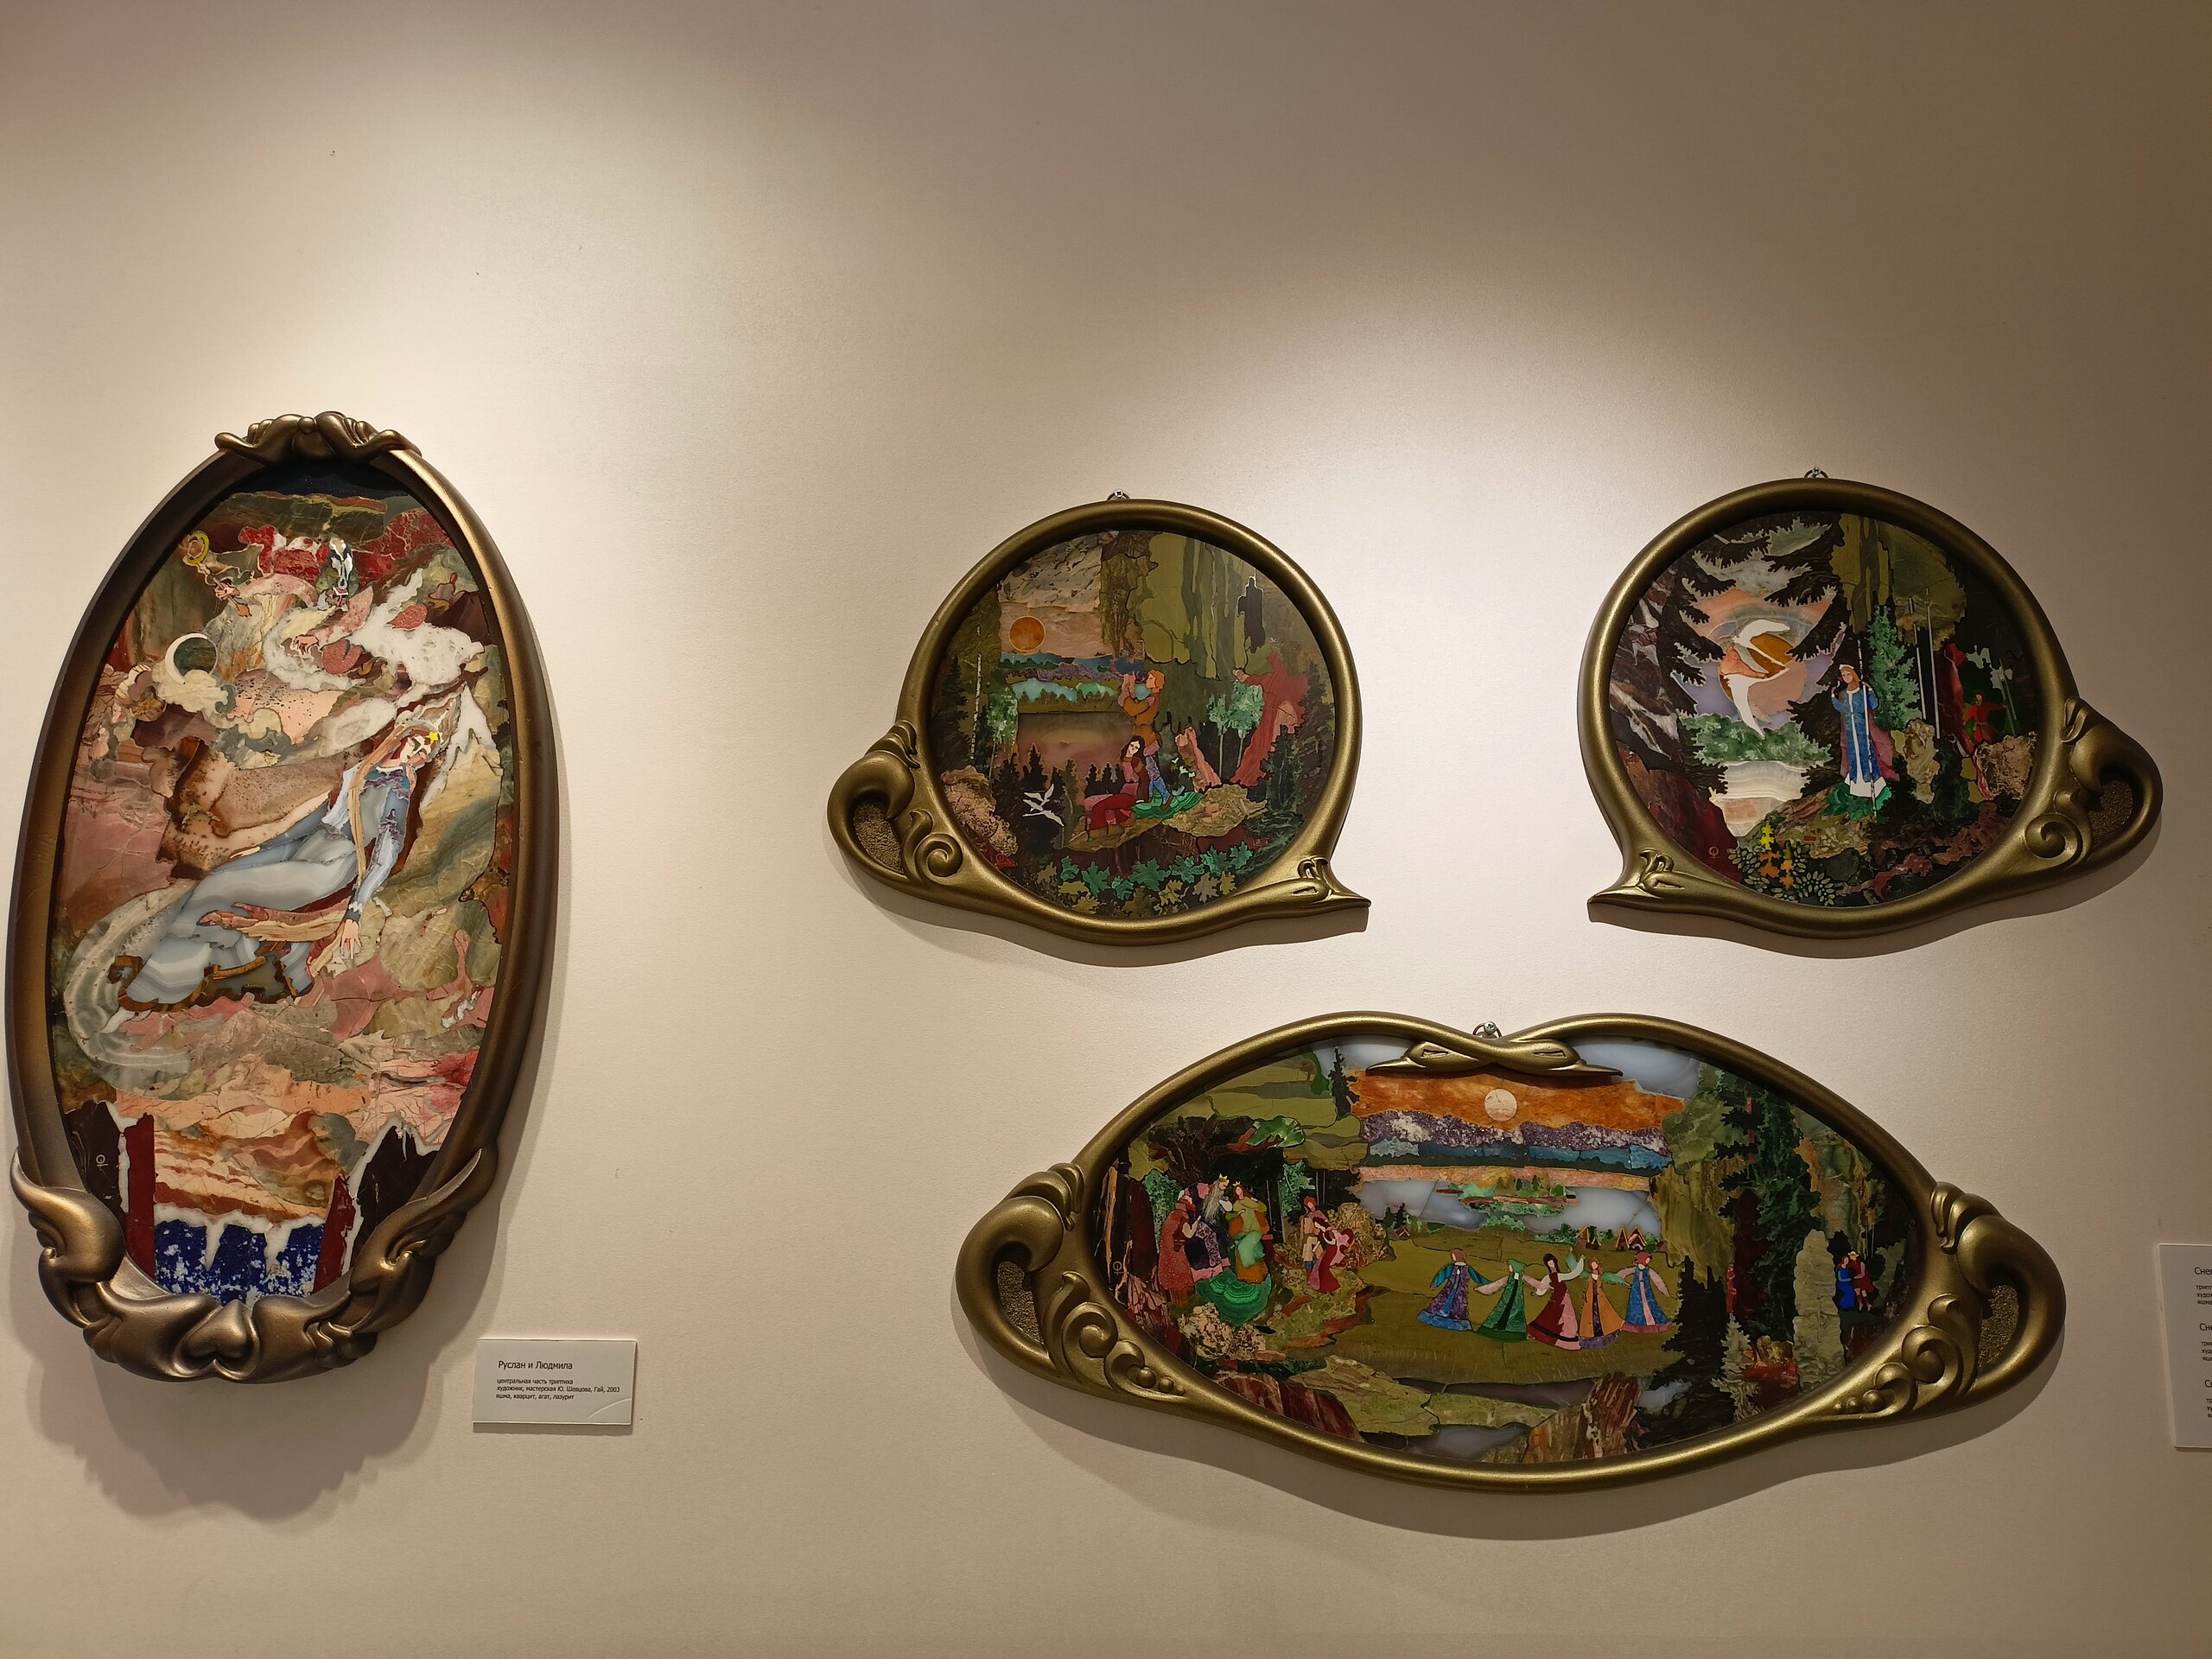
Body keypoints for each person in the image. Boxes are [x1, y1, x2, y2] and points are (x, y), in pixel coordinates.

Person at [111, 721, 444, 1010]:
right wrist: (264, 846)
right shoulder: (362, 770)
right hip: (308, 844)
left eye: (423, 755)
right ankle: (204, 968)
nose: (415, 756)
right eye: (415, 745)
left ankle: (161, 987)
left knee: (221, 887)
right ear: (400, 738)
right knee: (223, 872)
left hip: (333, 864)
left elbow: (387, 853)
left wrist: (354, 913)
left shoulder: (398, 791)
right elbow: (320, 818)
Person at [1832, 662, 1887, 801]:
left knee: (1866, 753)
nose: (1846, 677)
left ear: (1853, 674)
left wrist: (1870, 691)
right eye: (1844, 675)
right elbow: (1842, 708)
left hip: (1861, 728)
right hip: (1851, 730)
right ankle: (1857, 784)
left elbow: (1873, 704)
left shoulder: (1860, 692)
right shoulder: (1845, 694)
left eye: (1848, 674)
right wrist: (1833, 696)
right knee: (1853, 754)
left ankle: (1872, 781)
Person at [1524, 1253, 1588, 1349]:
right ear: (1547, 1265)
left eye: (1552, 1262)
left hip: (1564, 1298)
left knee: (1567, 1318)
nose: (1552, 1265)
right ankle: (1564, 1337)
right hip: (1558, 1299)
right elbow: (1542, 1288)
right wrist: (1536, 1292)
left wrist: (1581, 1260)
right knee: (1557, 1318)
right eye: (1549, 1263)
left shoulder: (1560, 1275)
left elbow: (1574, 1274)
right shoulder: (1549, 1278)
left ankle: (1567, 1336)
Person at [1472, 1258, 1530, 1342]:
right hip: (1506, 1300)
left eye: (1510, 1266)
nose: (1509, 1267)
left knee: (1515, 1315)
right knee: (1501, 1313)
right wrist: (1482, 1289)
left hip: (1517, 1302)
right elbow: (1497, 1284)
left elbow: (1534, 1283)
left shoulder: (1522, 1277)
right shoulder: (1509, 1277)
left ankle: (1516, 1333)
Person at [1298, 1193, 1344, 1294]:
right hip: (1310, 1240)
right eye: (1308, 1205)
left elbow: (1324, 1224)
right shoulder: (1307, 1216)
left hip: (1320, 1239)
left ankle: (1318, 1281)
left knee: (1319, 1261)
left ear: (1314, 1203)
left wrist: (1324, 1229)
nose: (1310, 1206)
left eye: (1311, 1204)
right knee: (1309, 1260)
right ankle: (1310, 1280)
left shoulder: (1319, 1214)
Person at [1418, 1250, 1476, 1331]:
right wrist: (1435, 1284)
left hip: (1460, 1292)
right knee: (1444, 1303)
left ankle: (1457, 1324)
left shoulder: (1467, 1268)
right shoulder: (1452, 1267)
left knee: (1459, 1306)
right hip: (1450, 1290)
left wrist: (1487, 1285)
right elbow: (1442, 1275)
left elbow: (1477, 1278)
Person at [1620, 1250, 1674, 1333]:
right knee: (1636, 1306)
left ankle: (1652, 1323)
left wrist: (1665, 1291)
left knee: (1651, 1305)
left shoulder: (1648, 1270)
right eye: (1647, 1259)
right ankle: (1637, 1326)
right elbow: (1623, 1273)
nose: (1648, 1261)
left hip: (1647, 1291)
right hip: (1636, 1292)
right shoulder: (1635, 1269)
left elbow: (1658, 1281)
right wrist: (1621, 1280)